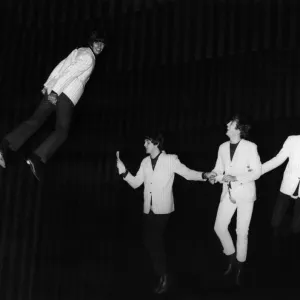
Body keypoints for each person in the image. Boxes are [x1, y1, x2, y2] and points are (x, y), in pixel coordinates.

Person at [116, 133, 214, 294]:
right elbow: (135, 183)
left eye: (147, 142)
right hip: (148, 209)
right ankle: (163, 272)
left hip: (162, 210)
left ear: (155, 144)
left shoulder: (170, 160)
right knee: (150, 241)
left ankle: (164, 276)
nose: (144, 145)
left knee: (153, 241)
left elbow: (188, 173)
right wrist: (123, 172)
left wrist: (205, 175)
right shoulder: (145, 162)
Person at [0, 31, 106, 180]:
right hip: (65, 96)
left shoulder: (79, 51)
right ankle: (37, 157)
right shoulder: (89, 58)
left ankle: (6, 144)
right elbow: (69, 73)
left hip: (55, 90)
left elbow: (61, 66)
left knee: (36, 119)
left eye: (102, 44)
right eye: (97, 42)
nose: (100, 46)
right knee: (62, 130)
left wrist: (49, 85)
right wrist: (55, 92)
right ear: (91, 42)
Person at [208, 115, 261, 285]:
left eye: (230, 124)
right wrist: (213, 175)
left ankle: (240, 268)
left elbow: (256, 172)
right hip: (228, 194)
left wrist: (235, 178)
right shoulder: (222, 147)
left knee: (241, 232)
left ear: (238, 129)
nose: (227, 125)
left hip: (245, 194)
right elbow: (218, 168)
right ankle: (232, 258)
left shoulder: (250, 147)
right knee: (219, 227)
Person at [262, 136, 300, 240]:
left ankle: (295, 234)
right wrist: (260, 169)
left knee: (298, 218)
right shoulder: (292, 140)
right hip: (289, 181)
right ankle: (274, 231)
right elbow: (278, 159)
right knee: (280, 208)